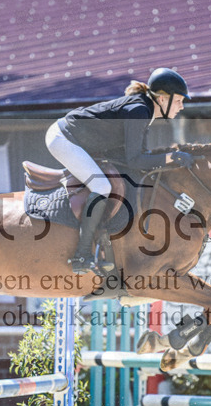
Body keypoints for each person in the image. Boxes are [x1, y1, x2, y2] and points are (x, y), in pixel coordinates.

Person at [45, 67, 192, 274]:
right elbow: (135, 159)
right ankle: (82, 254)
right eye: (178, 101)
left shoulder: (145, 111)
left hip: (78, 139)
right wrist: (171, 157)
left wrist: (168, 160)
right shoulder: (139, 111)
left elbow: (138, 158)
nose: (182, 107)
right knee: (102, 186)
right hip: (63, 138)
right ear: (162, 99)